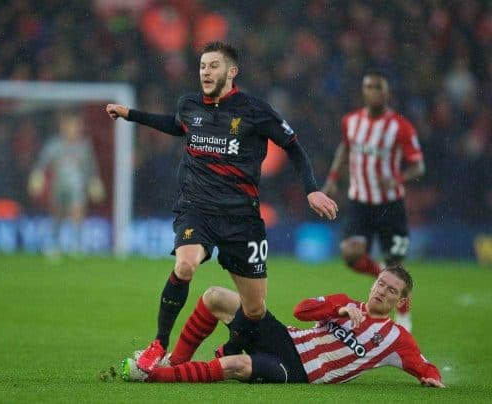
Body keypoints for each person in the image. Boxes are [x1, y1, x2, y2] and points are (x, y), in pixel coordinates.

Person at [106, 41, 338, 372]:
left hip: (242, 218)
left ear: (231, 72)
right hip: (197, 210)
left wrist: (312, 190)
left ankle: (230, 349)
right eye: (202, 66)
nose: (205, 72)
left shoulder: (255, 110)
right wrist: (131, 115)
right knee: (185, 265)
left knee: (254, 309)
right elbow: (175, 124)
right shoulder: (189, 105)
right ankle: (159, 343)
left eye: (213, 66)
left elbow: (293, 146)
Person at [121, 265, 444, 388]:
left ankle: (151, 375)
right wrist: (340, 310)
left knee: (235, 364)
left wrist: (432, 379)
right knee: (215, 296)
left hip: (299, 370)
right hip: (284, 337)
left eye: (391, 290)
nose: (381, 291)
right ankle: (176, 361)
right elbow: (301, 311)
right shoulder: (346, 303)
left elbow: (425, 367)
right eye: (381, 283)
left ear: (401, 301)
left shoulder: (396, 339)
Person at [321, 71, 425, 331]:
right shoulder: (351, 121)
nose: (373, 92)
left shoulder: (400, 126)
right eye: (368, 87)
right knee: (349, 253)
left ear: (386, 92)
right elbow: (345, 148)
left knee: (396, 263)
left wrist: (398, 178)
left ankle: (403, 315)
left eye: (378, 87)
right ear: (363, 91)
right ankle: (381, 270)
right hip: (360, 201)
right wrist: (333, 178)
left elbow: (418, 166)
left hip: (391, 204)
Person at [28, 110, 105, 254]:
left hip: (77, 186)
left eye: (78, 126)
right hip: (59, 185)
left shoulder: (84, 147)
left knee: (77, 212)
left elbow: (90, 168)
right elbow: (42, 164)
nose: (76, 129)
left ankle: (77, 244)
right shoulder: (54, 146)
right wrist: (37, 176)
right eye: (73, 126)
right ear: (64, 127)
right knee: (57, 214)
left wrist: (94, 182)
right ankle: (54, 243)